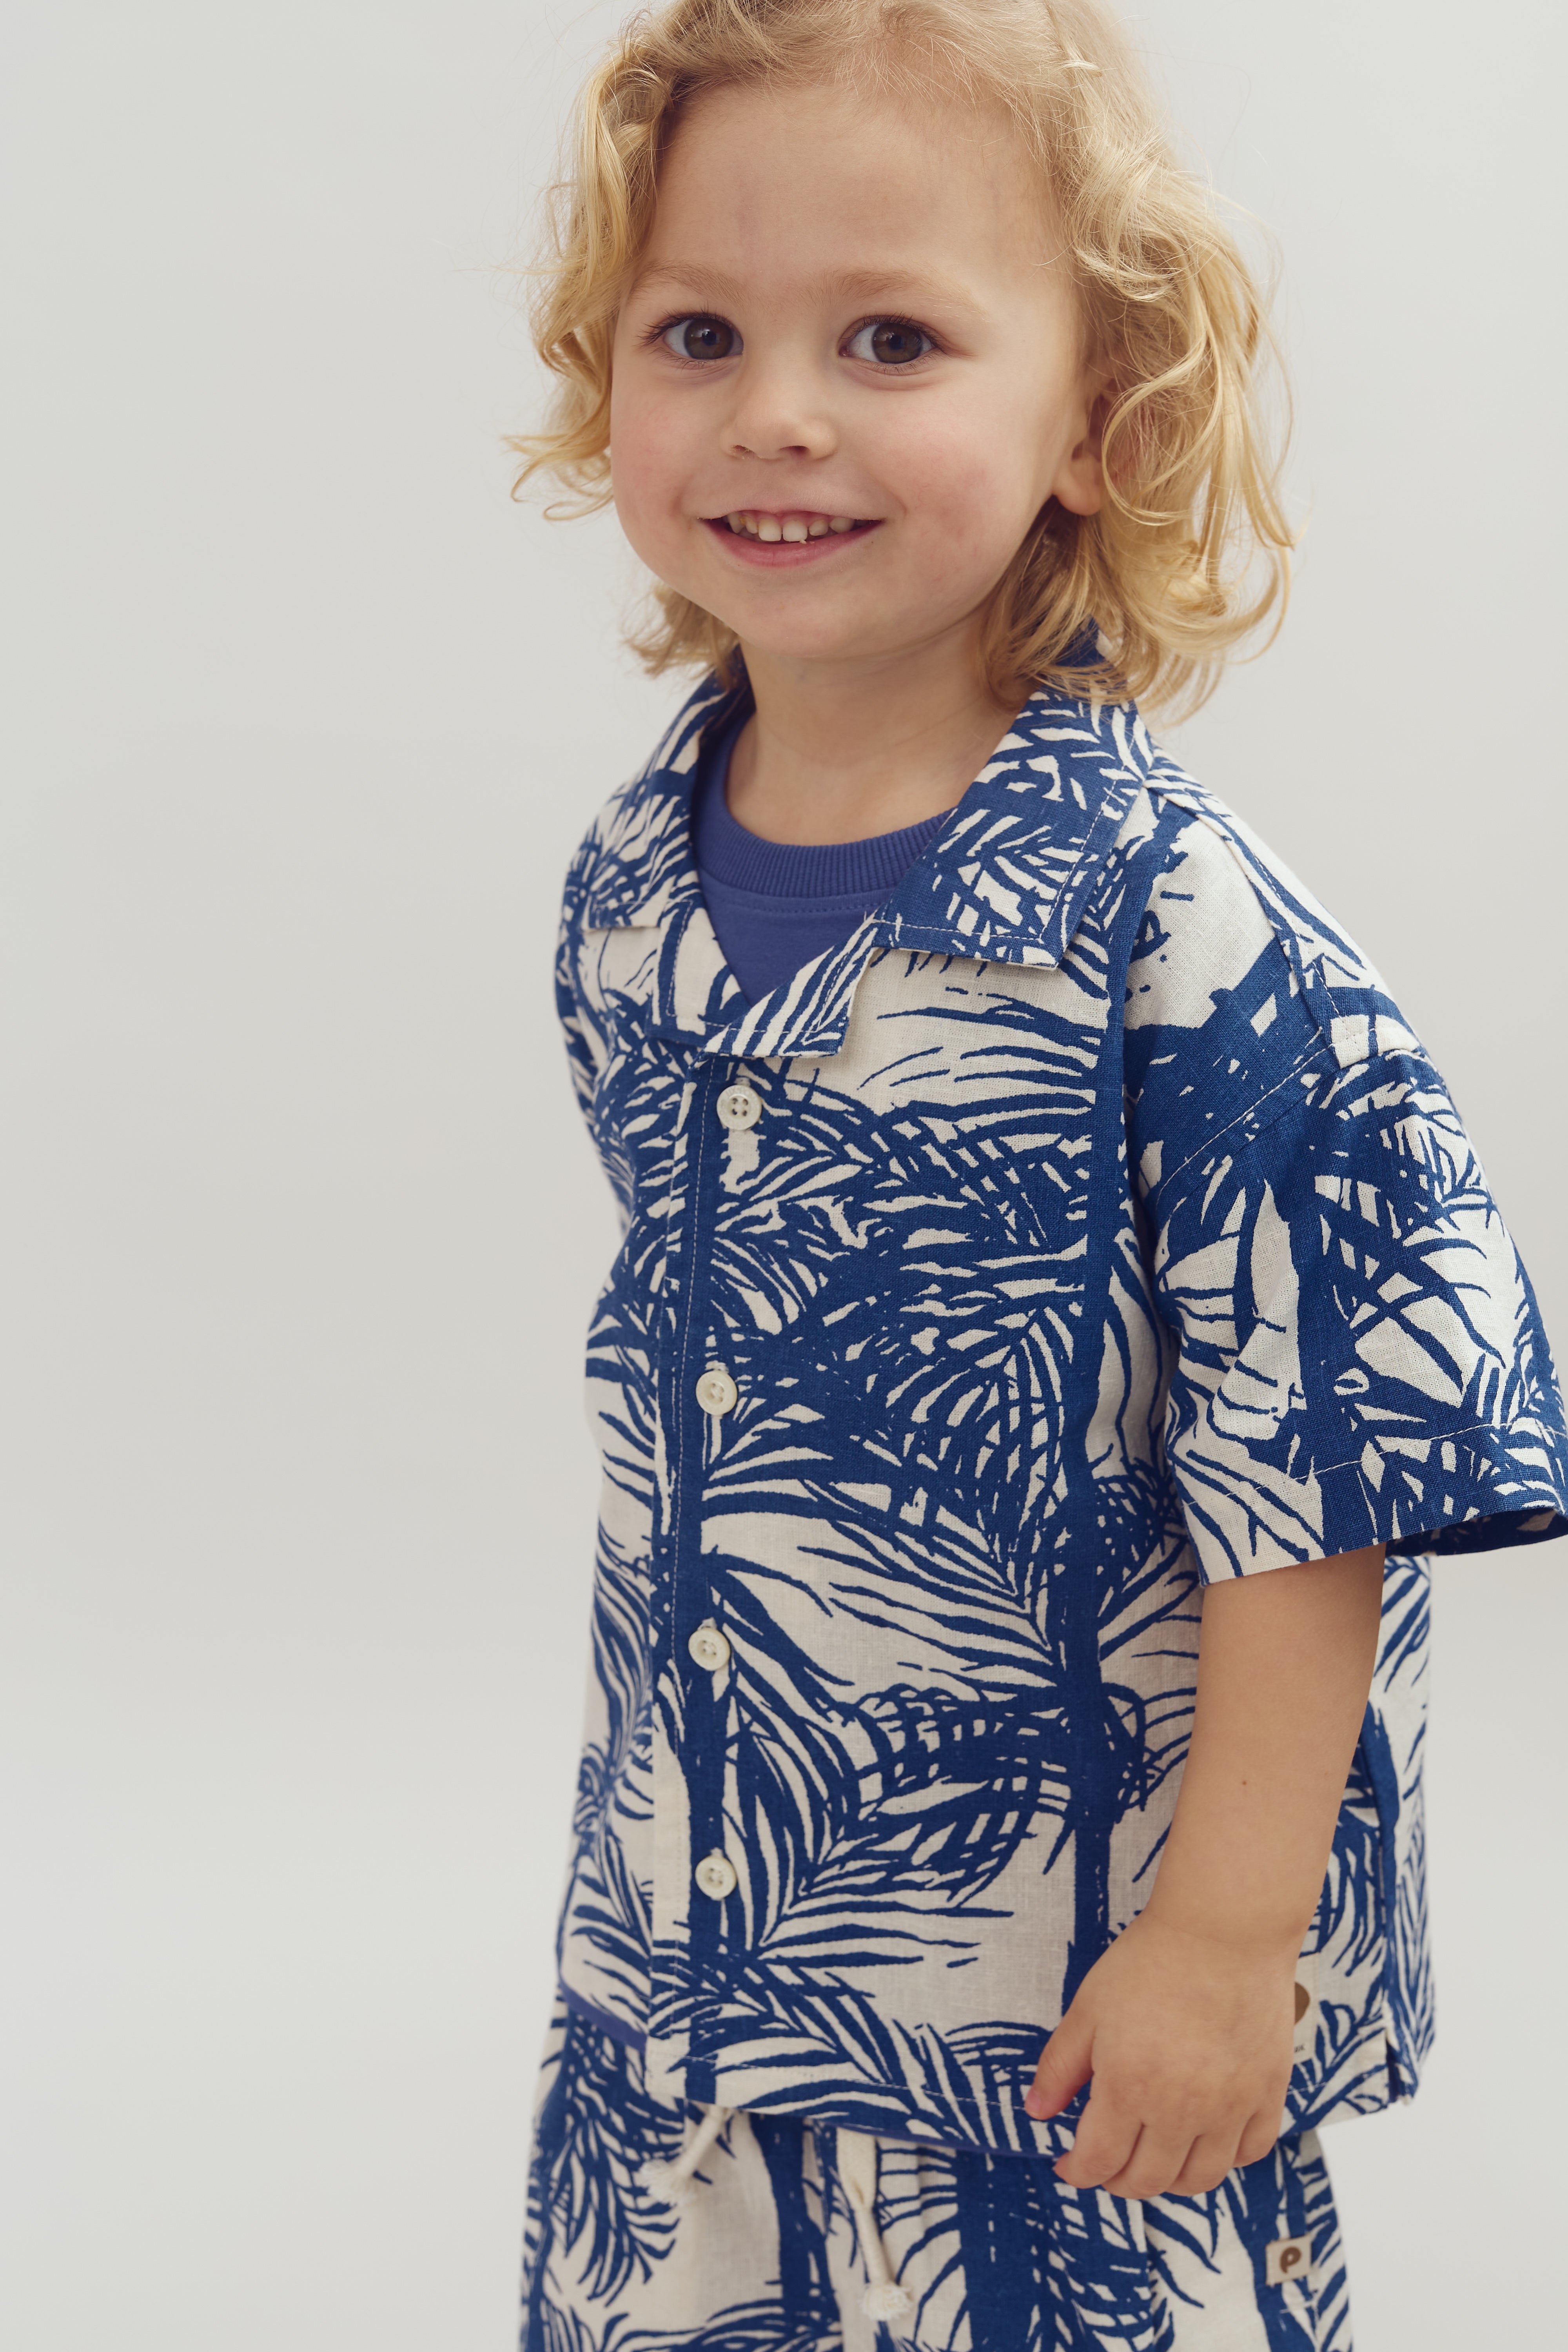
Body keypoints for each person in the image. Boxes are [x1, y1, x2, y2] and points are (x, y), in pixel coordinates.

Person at [509, 2, 1567, 2343]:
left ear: (1098, 421)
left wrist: (1225, 1938)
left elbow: (1332, 1459)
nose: (778, 408)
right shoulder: (627, 891)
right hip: (695, 1964)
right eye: (701, 332)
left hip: (1061, 2025)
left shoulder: (1178, 936)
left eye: (892, 336)